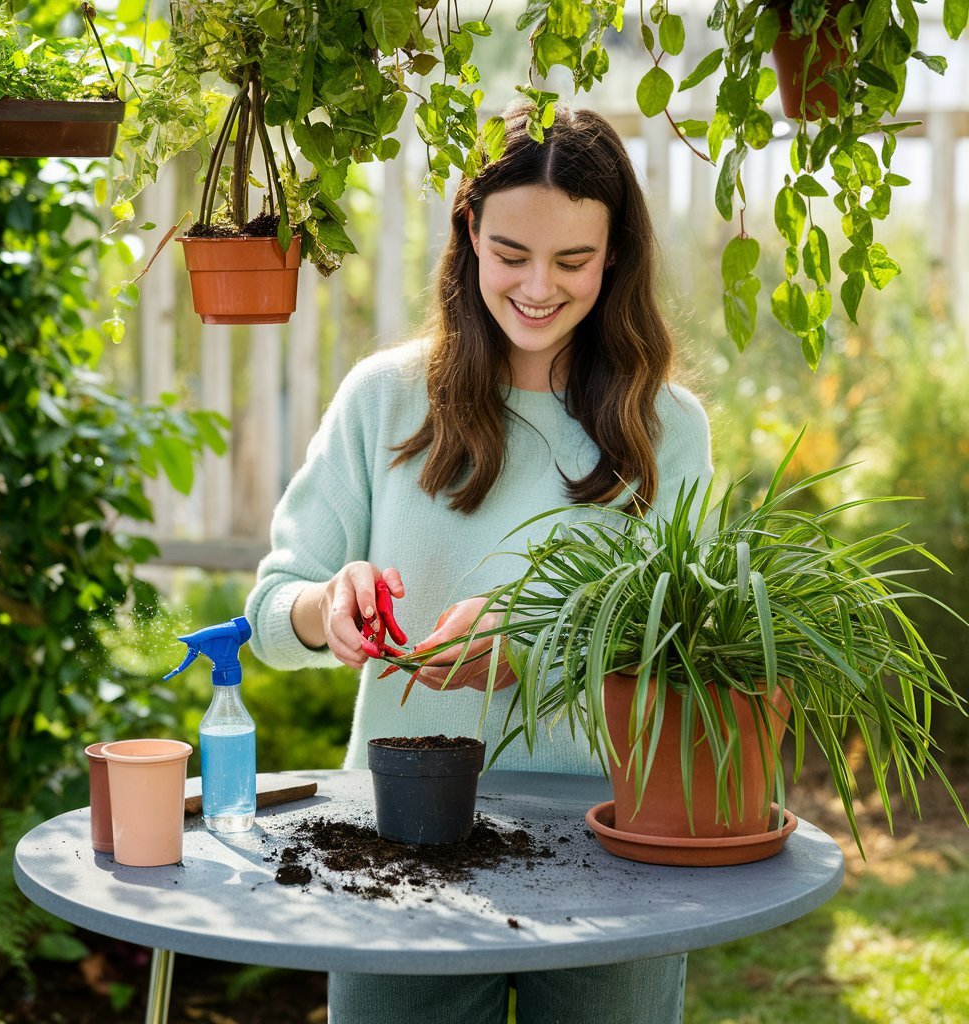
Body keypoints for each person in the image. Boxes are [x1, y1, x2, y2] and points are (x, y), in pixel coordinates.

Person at [245, 101, 713, 1024]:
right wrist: (324, 606)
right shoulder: (386, 398)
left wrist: (540, 640)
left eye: (573, 260)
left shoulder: (669, 430)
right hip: (398, 842)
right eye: (511, 254)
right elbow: (270, 610)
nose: (540, 287)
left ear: (615, 253)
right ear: (468, 232)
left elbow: (692, 655)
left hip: (611, 840)